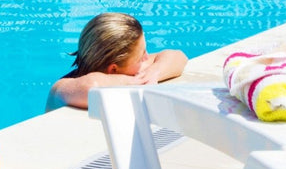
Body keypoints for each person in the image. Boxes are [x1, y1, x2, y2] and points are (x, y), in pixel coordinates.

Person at [47, 12, 187, 111]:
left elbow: (178, 57)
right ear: (113, 70)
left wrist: (153, 73)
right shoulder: (62, 89)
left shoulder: (126, 71)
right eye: (141, 55)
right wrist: (138, 82)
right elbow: (92, 85)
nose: (146, 57)